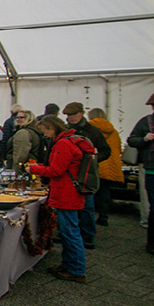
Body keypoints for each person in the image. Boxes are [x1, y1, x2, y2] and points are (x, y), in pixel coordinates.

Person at [27, 115, 92, 283]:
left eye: (44, 131)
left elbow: (56, 170)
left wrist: (34, 169)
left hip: (66, 193)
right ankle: (69, 265)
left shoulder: (63, 144)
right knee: (69, 230)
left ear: (51, 128)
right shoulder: (69, 141)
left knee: (70, 232)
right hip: (69, 192)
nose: (45, 135)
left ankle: (76, 269)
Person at [63, 102, 110, 250]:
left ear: (82, 113)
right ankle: (67, 232)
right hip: (68, 172)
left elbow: (105, 151)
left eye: (74, 115)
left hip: (86, 173)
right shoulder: (64, 130)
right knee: (66, 204)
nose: (72, 118)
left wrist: (93, 160)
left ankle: (88, 235)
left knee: (87, 205)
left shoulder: (94, 131)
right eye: (69, 115)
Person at [126, 91, 154, 256]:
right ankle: (152, 242)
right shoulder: (146, 122)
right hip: (151, 169)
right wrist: (144, 139)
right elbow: (131, 140)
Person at [86, 108, 123, 227]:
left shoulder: (90, 129)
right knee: (105, 192)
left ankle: (88, 218)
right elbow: (117, 146)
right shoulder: (113, 131)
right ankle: (104, 216)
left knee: (90, 192)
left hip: (95, 163)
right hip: (109, 164)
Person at [5, 110, 44, 174]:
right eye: (17, 117)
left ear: (29, 119)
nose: (18, 119)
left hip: (25, 168)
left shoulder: (23, 133)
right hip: (31, 165)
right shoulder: (32, 131)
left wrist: (15, 171)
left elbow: (20, 155)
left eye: (22, 117)